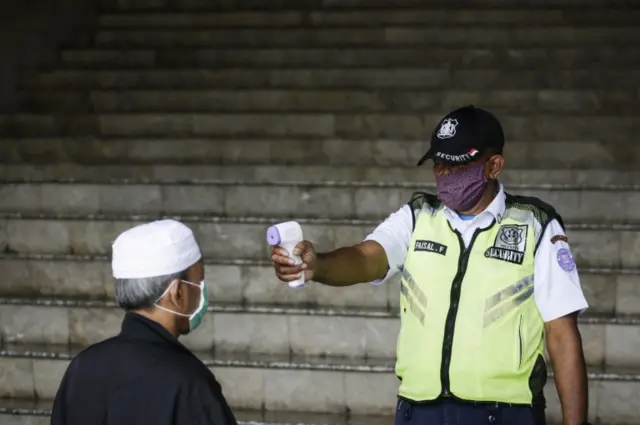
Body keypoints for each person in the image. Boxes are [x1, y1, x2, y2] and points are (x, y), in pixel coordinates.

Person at [271, 106, 590, 425]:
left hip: (505, 413)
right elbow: (367, 257)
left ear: (494, 166)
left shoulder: (535, 224)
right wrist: (319, 266)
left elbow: (562, 336)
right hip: (417, 411)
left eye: (457, 164)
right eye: (439, 163)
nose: (445, 173)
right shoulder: (418, 216)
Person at [51, 219, 237, 425]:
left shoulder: (82, 368)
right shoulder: (189, 382)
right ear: (177, 293)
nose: (201, 290)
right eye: (198, 281)